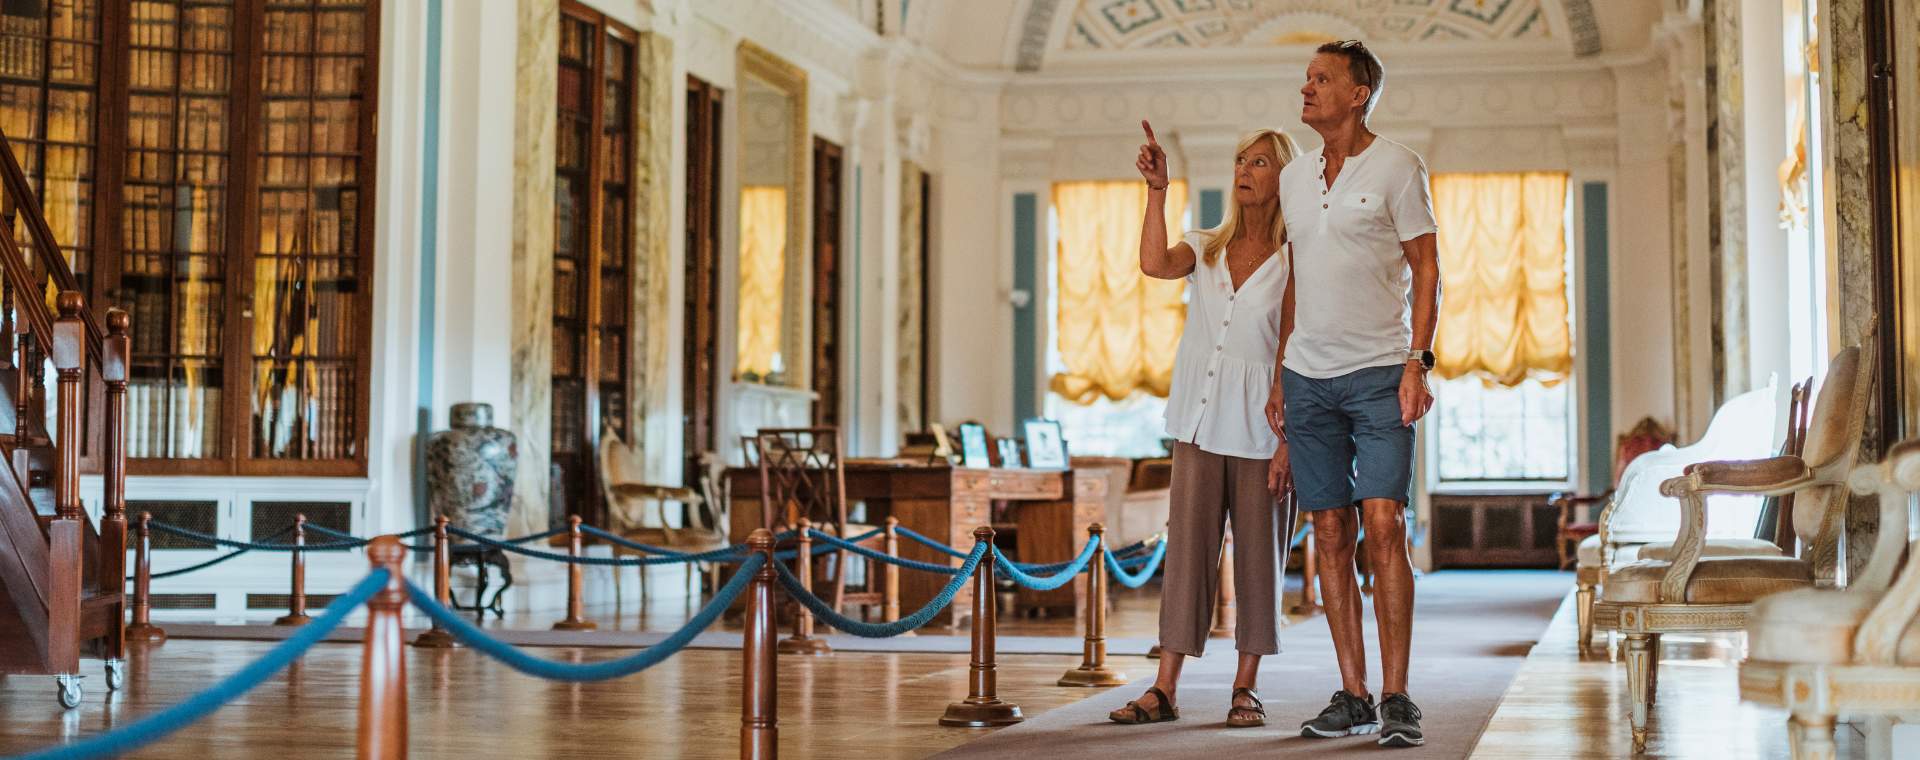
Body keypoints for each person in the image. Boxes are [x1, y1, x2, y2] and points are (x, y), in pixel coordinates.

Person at [1267, 40, 1440, 749]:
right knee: (1330, 533)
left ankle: (1398, 695)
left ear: (1359, 92)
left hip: (1378, 373)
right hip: (1308, 379)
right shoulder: (1294, 178)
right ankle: (1354, 691)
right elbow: (1295, 278)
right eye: (1307, 78)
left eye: (1322, 79)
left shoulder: (1399, 166)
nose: (1306, 88)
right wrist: (1281, 371)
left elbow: (1427, 267)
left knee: (1386, 526)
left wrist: (1417, 361)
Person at [1107, 120, 1299, 729]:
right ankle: (1164, 687)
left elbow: (1297, 345)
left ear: (1284, 177)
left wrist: (1290, 438)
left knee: (1258, 561)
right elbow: (1154, 263)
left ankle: (1246, 687)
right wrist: (1158, 191)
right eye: (1241, 161)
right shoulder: (1206, 246)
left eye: (1261, 163)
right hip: (1196, 421)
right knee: (1186, 556)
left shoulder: (1298, 258)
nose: (1245, 171)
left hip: (1262, 429)